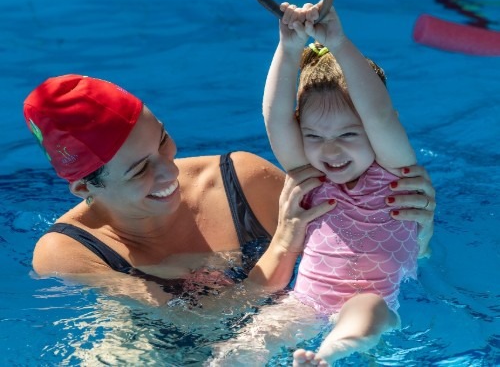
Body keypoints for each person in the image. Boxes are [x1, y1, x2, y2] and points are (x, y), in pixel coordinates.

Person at [23, 74, 434, 317]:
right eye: (140, 168)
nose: (170, 170)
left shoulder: (241, 181)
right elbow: (195, 325)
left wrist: (419, 225)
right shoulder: (70, 253)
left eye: (163, 141)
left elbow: (365, 261)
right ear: (83, 188)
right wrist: (286, 242)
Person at [259, 1, 432, 365]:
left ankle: (328, 354)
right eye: (314, 136)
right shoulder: (311, 174)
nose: (330, 149)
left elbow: (379, 114)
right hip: (305, 302)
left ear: (371, 131)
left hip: (373, 300)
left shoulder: (395, 175)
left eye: (349, 133)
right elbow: (275, 118)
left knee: (363, 311)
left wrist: (339, 43)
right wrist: (288, 49)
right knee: (255, 336)